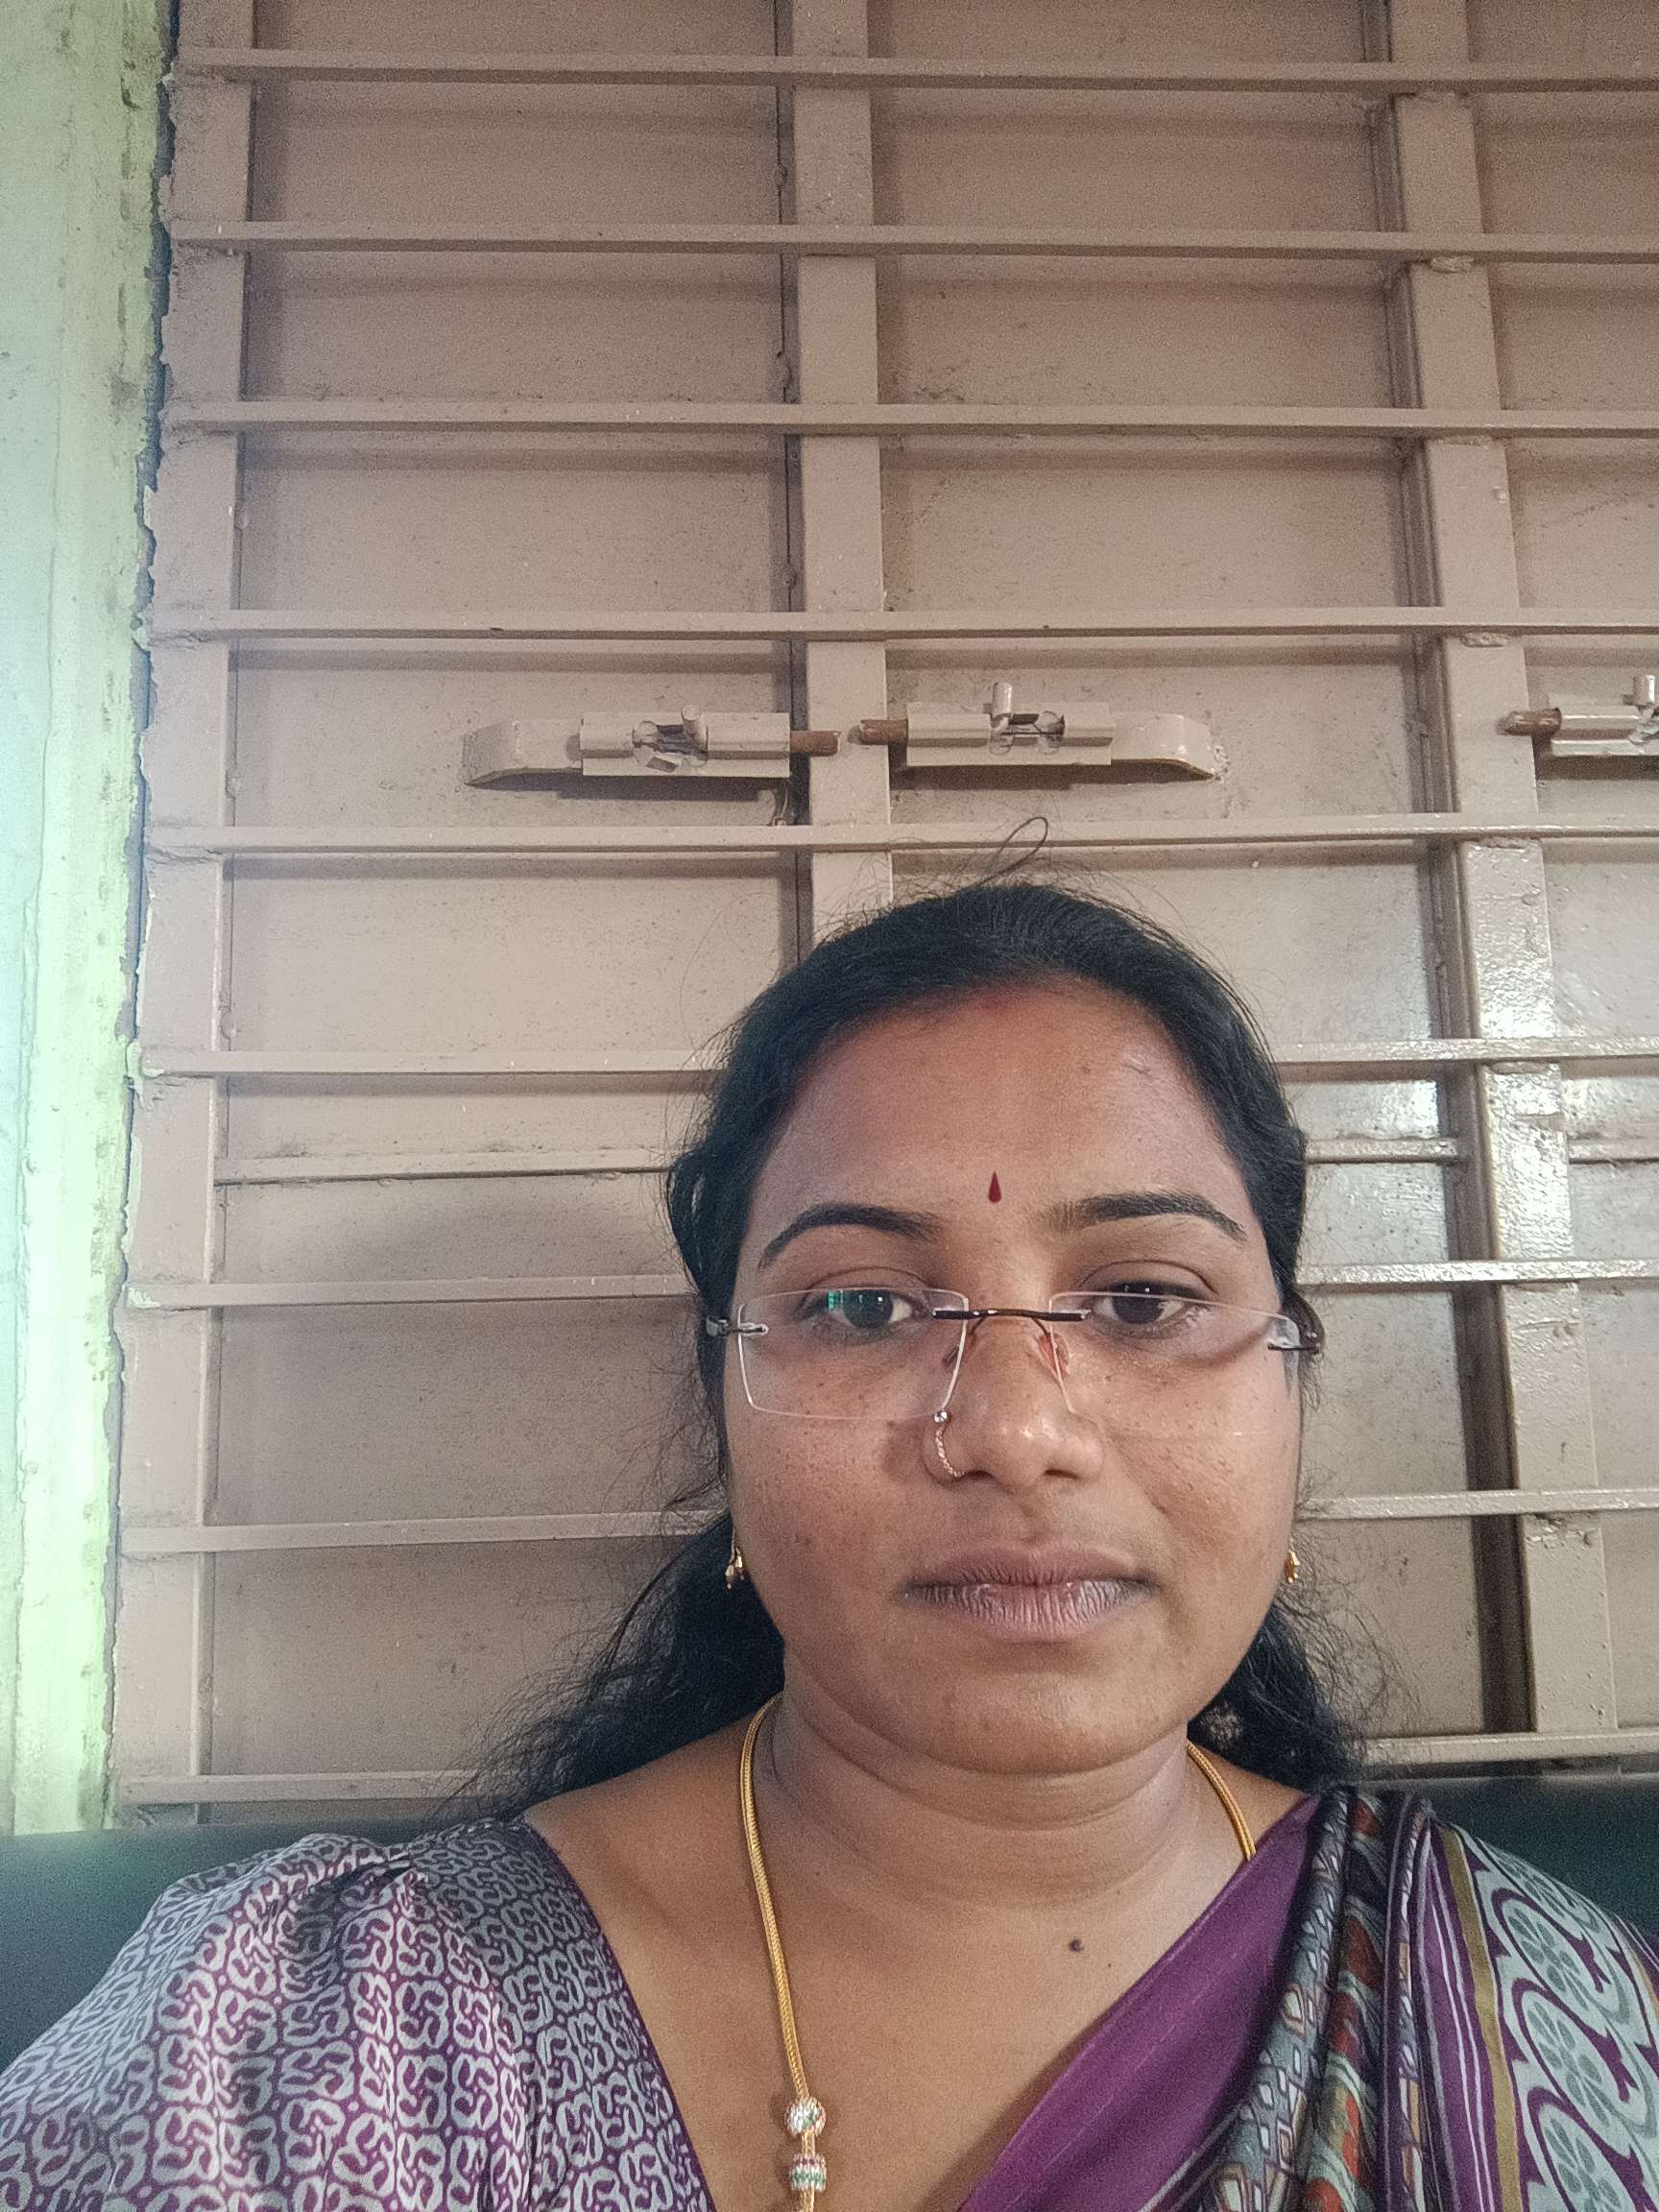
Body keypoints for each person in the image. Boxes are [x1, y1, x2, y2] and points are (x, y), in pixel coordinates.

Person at [3, 879, 1656, 2212]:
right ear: (721, 1402)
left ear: (1293, 1384)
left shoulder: (1540, 2015)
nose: (1014, 1431)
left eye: (1144, 1301)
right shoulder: (322, 2044)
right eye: (862, 1307)